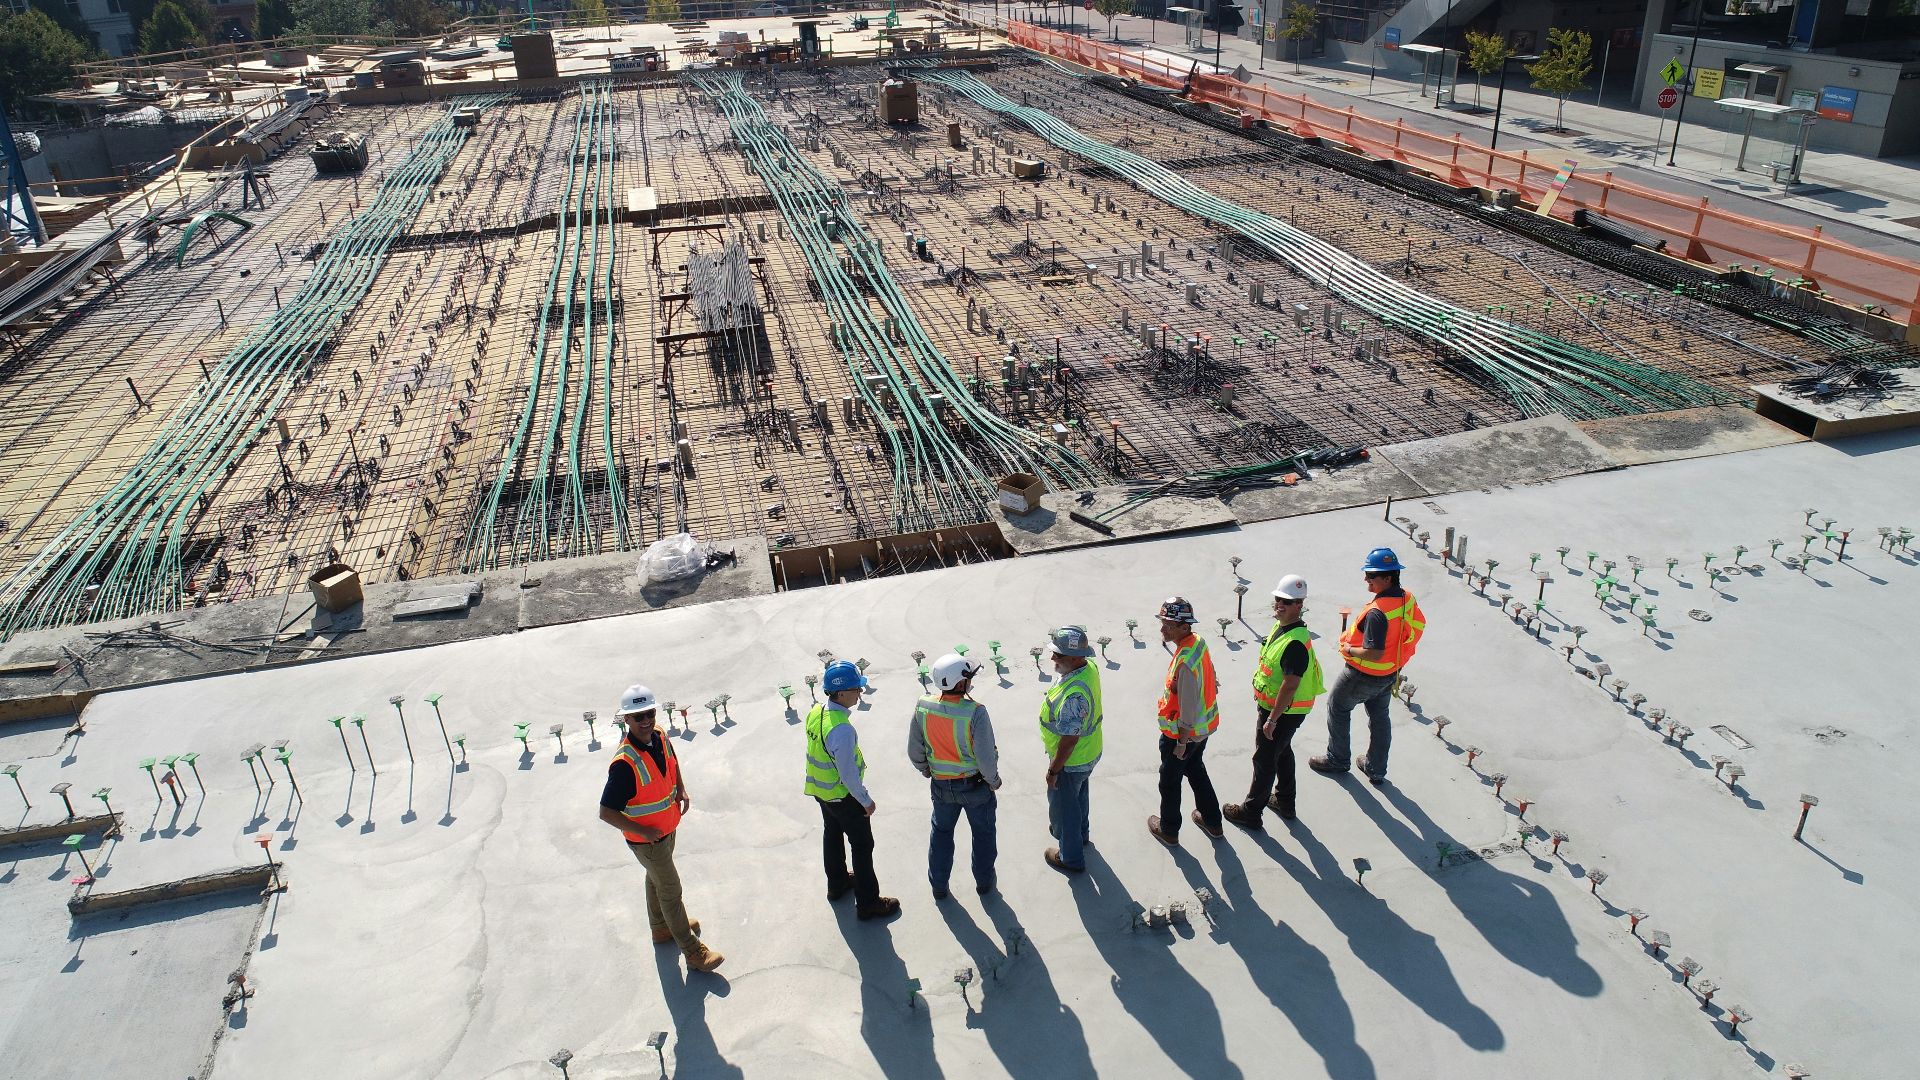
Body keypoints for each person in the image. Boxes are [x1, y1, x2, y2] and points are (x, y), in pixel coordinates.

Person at [597, 683, 724, 973]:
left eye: (650, 713)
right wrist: (643, 832)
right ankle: (693, 952)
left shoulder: (660, 736)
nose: (646, 721)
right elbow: (606, 812)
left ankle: (662, 928)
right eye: (638, 716)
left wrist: (681, 788)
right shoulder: (624, 764)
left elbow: (672, 761)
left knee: (655, 880)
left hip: (666, 829)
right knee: (671, 890)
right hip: (648, 841)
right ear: (626, 720)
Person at [1311, 547, 1428, 786]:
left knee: (1338, 707)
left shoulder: (1377, 613)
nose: (1366, 579)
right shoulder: (1406, 597)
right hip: (1390, 672)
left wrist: (1348, 650)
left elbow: (1373, 653)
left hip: (1363, 674)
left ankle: (1337, 759)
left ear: (1388, 578)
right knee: (1379, 717)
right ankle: (1376, 768)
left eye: (1371, 575)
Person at [1225, 575, 1324, 829]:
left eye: (1287, 602)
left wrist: (1272, 719)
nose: (1280, 605)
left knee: (1265, 759)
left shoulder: (1294, 643)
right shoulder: (1282, 628)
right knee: (1282, 752)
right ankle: (1285, 801)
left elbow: (1290, 684)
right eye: (1278, 599)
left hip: (1282, 712)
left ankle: (1250, 812)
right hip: (1280, 710)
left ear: (1299, 605)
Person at [804, 659, 900, 920]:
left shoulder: (816, 713)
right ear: (842, 693)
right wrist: (865, 800)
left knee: (832, 834)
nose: (861, 693)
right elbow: (847, 773)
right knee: (862, 845)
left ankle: (837, 885)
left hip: (820, 791)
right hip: (842, 796)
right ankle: (868, 902)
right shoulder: (842, 729)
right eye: (857, 689)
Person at [908, 653, 1001, 898]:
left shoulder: (923, 706)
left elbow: (914, 749)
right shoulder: (976, 712)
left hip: (941, 786)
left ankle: (939, 885)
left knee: (941, 834)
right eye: (968, 678)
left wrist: (926, 769)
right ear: (960, 684)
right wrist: (994, 780)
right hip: (975, 787)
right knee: (983, 834)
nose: (971, 682)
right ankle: (984, 882)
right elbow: (985, 756)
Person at [1148, 597, 1224, 845]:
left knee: (1169, 781)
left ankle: (1169, 830)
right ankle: (1213, 821)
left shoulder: (1184, 662)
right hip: (1202, 731)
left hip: (1182, 736)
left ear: (1184, 626)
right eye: (1162, 623)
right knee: (1196, 770)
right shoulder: (1197, 643)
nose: (1162, 629)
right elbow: (1210, 672)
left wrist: (1181, 742)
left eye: (1168, 625)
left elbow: (1188, 707)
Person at [1039, 625, 1103, 873]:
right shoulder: (1088, 668)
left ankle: (1071, 857)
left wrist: (1054, 771)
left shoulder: (1074, 695)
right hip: (1089, 753)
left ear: (1077, 657)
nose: (1053, 658)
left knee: (1065, 809)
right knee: (1078, 796)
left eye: (1059, 655)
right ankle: (1081, 835)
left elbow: (1069, 739)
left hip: (1072, 760)